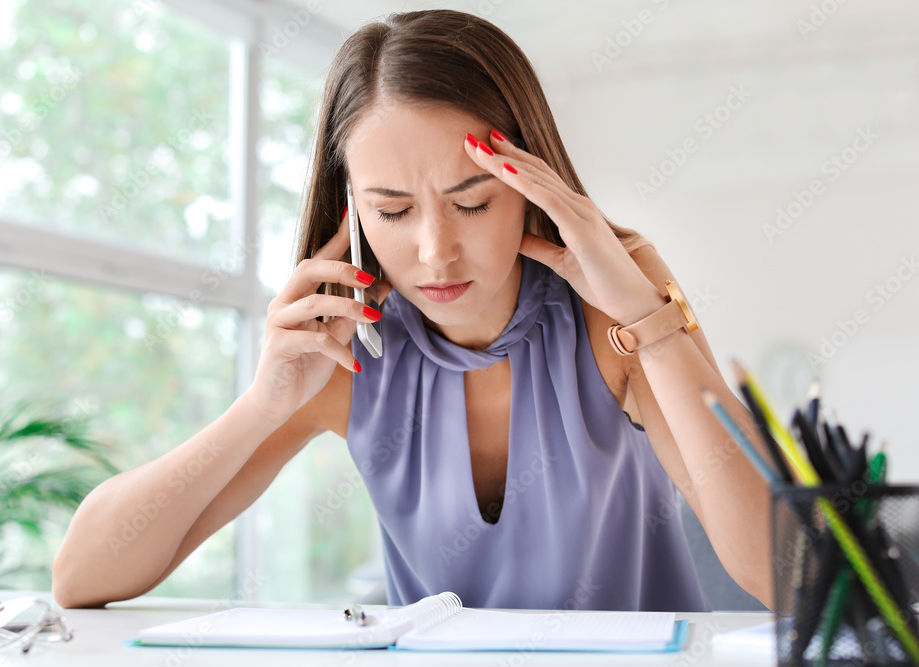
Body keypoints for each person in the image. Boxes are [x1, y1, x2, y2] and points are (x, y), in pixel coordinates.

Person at [53, 9, 772, 612]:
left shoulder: (610, 310)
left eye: (472, 201)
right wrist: (263, 405)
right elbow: (81, 577)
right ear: (350, 211)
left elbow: (788, 572)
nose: (435, 252)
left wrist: (649, 319)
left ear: (529, 182)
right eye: (392, 209)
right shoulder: (348, 350)